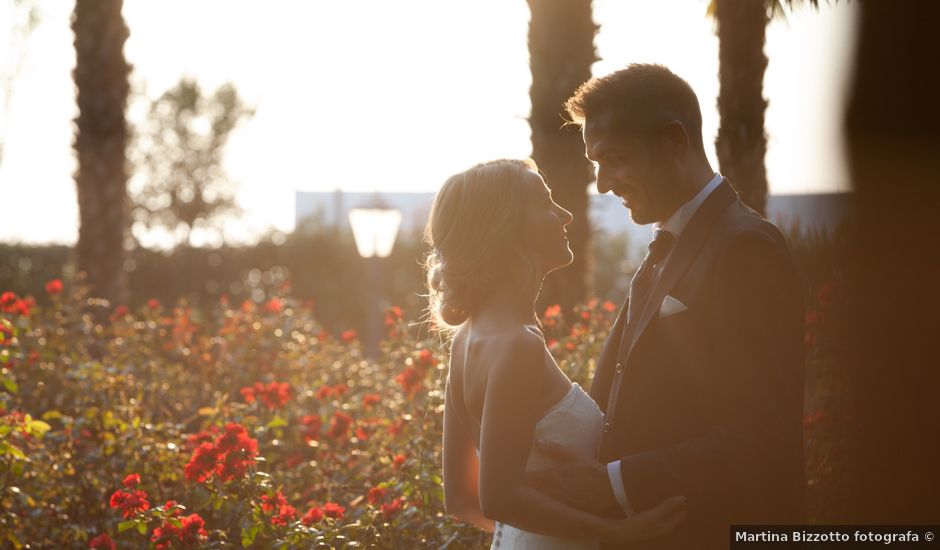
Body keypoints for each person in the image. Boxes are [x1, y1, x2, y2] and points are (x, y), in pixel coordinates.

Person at [526, 64, 806, 549]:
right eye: (596, 163)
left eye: (614, 159)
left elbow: (763, 430)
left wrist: (613, 483)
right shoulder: (669, 244)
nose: (603, 184)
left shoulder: (744, 249)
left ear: (675, 141)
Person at [431, 158, 688, 549]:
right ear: (504, 227)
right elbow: (497, 497)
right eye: (546, 203)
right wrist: (613, 532)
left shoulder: (468, 340)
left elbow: (462, 499)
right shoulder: (517, 346)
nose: (566, 215)